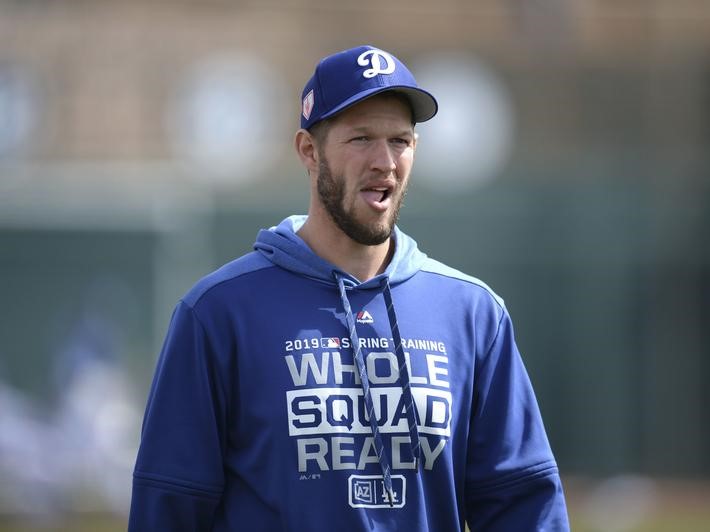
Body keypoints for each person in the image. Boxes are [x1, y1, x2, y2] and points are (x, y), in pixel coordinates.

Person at [129, 44, 570, 531]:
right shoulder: (218, 313)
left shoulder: (472, 314)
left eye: (400, 140)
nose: (384, 161)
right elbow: (168, 509)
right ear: (309, 152)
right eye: (361, 139)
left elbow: (524, 506)